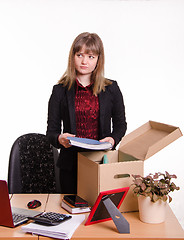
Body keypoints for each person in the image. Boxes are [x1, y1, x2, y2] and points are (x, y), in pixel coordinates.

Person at [46, 32, 127, 194]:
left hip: (101, 162)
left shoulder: (111, 89)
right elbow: (51, 132)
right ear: (73, 56)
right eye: (80, 55)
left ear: (98, 59)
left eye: (91, 56)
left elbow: (120, 125)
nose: (84, 61)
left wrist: (113, 139)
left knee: (99, 212)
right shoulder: (59, 91)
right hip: (70, 165)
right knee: (72, 212)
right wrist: (59, 139)